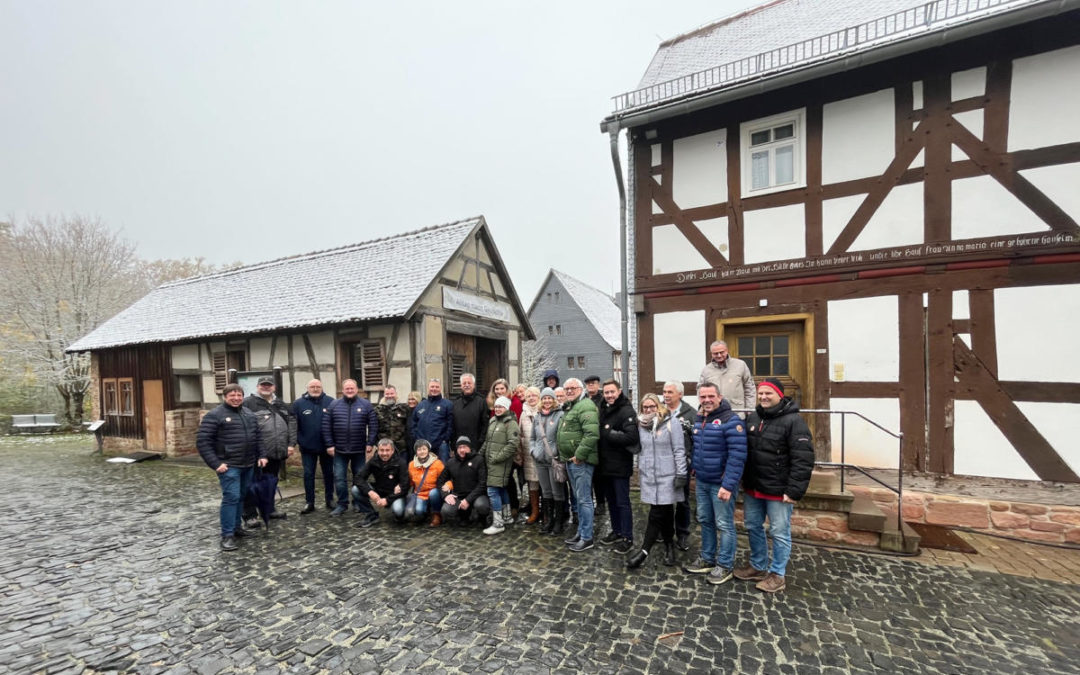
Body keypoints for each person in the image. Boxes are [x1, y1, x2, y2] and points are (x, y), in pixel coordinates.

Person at [734, 378, 814, 593]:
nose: (764, 397)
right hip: (754, 486)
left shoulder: (794, 421)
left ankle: (778, 574)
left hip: (779, 490)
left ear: (779, 394)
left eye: (768, 393)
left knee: (779, 531)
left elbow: (803, 459)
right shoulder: (754, 416)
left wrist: (794, 490)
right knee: (752, 525)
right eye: (761, 394)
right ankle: (758, 566)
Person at [683, 382, 747, 585]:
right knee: (705, 520)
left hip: (721, 483)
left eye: (711, 396)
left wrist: (728, 485)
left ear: (719, 397)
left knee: (724, 524)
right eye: (703, 397)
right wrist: (694, 468)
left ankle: (725, 565)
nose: (707, 400)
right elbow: (697, 447)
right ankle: (708, 558)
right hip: (702, 481)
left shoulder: (731, 420)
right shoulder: (700, 418)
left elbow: (737, 456)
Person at [196, 383, 267, 550]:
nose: (236, 399)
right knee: (231, 498)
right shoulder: (214, 415)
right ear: (225, 397)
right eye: (232, 396)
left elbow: (258, 437)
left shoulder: (248, 413)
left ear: (243, 397)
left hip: (248, 464)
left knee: (241, 497)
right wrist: (216, 464)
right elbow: (203, 442)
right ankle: (227, 535)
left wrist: (262, 455)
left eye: (239, 395)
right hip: (228, 466)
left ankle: (236, 528)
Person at [627, 393, 687, 569]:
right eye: (645, 407)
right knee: (666, 512)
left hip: (668, 475)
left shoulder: (670, 423)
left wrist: (682, 474)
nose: (648, 410)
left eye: (652, 406)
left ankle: (644, 552)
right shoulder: (640, 425)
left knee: (655, 514)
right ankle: (669, 545)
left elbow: (679, 450)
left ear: (658, 406)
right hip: (649, 475)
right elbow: (638, 447)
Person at [242, 376, 296, 525]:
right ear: (258, 386)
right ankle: (250, 515)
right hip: (257, 454)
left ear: (274, 387)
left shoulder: (281, 404)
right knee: (252, 485)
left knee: (270, 483)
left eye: (269, 385)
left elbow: (291, 423)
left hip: (277, 452)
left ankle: (269, 509)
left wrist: (291, 444)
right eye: (263, 385)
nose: (266, 387)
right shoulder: (248, 403)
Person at [322, 379, 379, 516]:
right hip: (339, 450)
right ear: (343, 390)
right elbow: (326, 426)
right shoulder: (334, 405)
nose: (349, 390)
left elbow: (373, 425)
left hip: (359, 449)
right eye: (347, 388)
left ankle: (358, 502)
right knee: (339, 479)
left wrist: (370, 443)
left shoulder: (365, 405)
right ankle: (342, 504)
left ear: (356, 389)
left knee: (359, 479)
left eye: (352, 388)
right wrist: (329, 445)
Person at [556, 378, 600, 553]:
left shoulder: (585, 405)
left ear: (580, 389)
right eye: (566, 389)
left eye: (572, 388)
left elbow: (591, 434)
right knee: (578, 499)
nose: (569, 391)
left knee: (584, 500)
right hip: (570, 460)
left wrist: (579, 456)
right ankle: (581, 532)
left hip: (580, 462)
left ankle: (587, 537)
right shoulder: (572, 406)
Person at [596, 379, 639, 554]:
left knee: (622, 502)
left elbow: (631, 437)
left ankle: (627, 537)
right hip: (605, 464)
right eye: (606, 393)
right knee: (611, 501)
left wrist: (608, 433)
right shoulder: (604, 408)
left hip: (620, 465)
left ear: (619, 391)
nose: (609, 395)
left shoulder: (626, 410)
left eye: (612, 392)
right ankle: (616, 530)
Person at [663, 381, 698, 550]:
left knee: (682, 501)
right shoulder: (659, 411)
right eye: (664, 391)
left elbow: (696, 441)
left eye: (670, 392)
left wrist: (691, 460)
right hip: (662, 464)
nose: (666, 395)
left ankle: (683, 533)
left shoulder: (691, 414)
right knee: (663, 502)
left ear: (680, 394)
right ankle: (664, 532)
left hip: (681, 465)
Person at [292, 379, 335, 514]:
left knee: (329, 473)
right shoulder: (298, 404)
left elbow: (335, 422)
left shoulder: (331, 401)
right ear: (307, 388)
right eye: (312, 387)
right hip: (307, 447)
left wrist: (333, 443)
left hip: (326, 446)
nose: (315, 389)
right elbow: (294, 425)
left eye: (318, 387)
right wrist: (298, 441)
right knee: (308, 474)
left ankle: (330, 499)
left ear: (322, 388)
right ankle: (309, 502)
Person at [481, 396, 520, 535]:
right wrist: (480, 455)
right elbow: (487, 441)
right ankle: (507, 516)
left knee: (492, 490)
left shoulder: (511, 424)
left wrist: (498, 458)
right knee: (501, 489)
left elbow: (512, 445)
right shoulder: (493, 421)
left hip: (500, 463)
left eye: (501, 407)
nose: (498, 409)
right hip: (490, 462)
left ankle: (498, 523)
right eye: (496, 406)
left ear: (507, 408)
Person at [530, 387, 567, 535]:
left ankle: (559, 523)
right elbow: (532, 437)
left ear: (554, 400)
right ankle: (549, 521)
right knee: (545, 492)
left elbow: (562, 437)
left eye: (549, 398)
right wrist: (533, 451)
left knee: (557, 492)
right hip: (540, 460)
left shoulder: (560, 415)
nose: (547, 401)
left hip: (554, 460)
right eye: (544, 398)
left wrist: (558, 453)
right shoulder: (537, 417)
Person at [352, 438, 410, 527]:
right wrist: (370, 492)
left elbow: (405, 486)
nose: (384, 453)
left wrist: (387, 500)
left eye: (387, 450)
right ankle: (371, 515)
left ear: (392, 450)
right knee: (355, 489)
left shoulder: (401, 463)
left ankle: (399, 512)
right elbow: (358, 478)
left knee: (398, 511)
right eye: (381, 450)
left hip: (395, 494)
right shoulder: (373, 461)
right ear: (378, 450)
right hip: (379, 490)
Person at [438, 436, 492, 526]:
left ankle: (482, 518)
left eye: (464, 447)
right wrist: (446, 495)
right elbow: (440, 481)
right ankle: (462, 516)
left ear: (469, 448)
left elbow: (482, 483)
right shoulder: (451, 462)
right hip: (459, 496)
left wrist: (468, 500)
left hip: (476, 496)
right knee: (446, 511)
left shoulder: (479, 460)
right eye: (459, 447)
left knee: (481, 506)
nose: (462, 450)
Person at [699, 340, 756, 416]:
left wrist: (749, 409)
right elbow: (700, 390)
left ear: (727, 351)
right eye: (715, 353)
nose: (719, 355)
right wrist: (703, 408)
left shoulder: (740, 365)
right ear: (711, 354)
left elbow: (749, 388)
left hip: (737, 412)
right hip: (714, 414)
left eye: (722, 352)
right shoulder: (706, 370)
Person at [410, 378, 455, 463]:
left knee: (442, 471)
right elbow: (413, 423)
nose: (434, 389)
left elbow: (451, 424)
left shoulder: (447, 404)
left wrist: (445, 439)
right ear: (428, 388)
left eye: (437, 387)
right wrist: (416, 438)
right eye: (432, 386)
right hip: (422, 446)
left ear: (440, 388)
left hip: (441, 446)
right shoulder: (421, 405)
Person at [405, 439, 445, 526]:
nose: (422, 452)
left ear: (428, 450)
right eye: (419, 449)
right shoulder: (411, 465)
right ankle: (425, 513)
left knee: (433, 493)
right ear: (416, 452)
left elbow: (445, 478)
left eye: (424, 449)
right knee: (419, 511)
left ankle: (436, 514)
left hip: (434, 493)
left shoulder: (437, 463)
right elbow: (410, 482)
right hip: (420, 494)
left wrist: (448, 486)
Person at [518, 386, 542, 525]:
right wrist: (519, 455)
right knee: (532, 485)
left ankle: (546, 512)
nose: (532, 398)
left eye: (534, 395)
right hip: (528, 455)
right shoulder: (523, 413)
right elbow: (520, 435)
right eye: (529, 396)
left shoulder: (543, 411)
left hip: (543, 455)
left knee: (545, 486)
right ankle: (535, 511)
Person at [452, 372, 489, 450]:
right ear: (461, 386)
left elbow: (485, 424)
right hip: (459, 445)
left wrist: (481, 441)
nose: (467, 385)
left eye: (469, 383)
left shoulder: (481, 401)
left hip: (476, 445)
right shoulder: (455, 402)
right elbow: (453, 425)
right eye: (464, 383)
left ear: (474, 385)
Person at [375, 385, 411, 459]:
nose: (389, 396)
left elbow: (409, 426)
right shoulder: (377, 410)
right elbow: (374, 428)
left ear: (396, 394)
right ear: (384, 395)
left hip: (401, 448)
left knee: (402, 470)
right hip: (384, 449)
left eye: (392, 393)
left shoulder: (404, 408)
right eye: (387, 394)